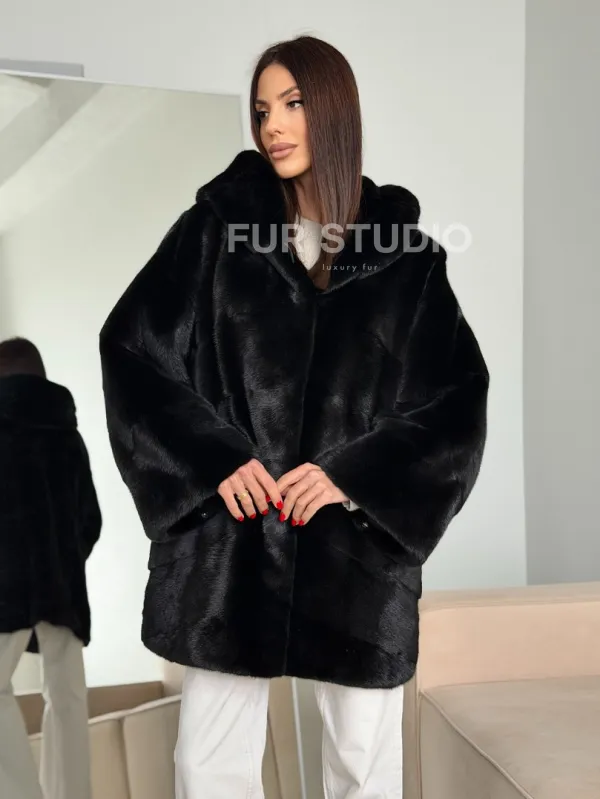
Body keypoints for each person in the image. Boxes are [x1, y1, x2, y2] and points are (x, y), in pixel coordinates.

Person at [99, 34, 489, 799]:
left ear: (333, 109)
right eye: (261, 110)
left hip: (355, 557)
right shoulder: (215, 230)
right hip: (232, 552)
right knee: (209, 766)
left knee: (361, 767)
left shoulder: (407, 260)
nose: (272, 124)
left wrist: (353, 478)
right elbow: (132, 348)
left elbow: (455, 402)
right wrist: (212, 457)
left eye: (292, 103)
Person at [0, 337, 101, 799]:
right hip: (64, 592)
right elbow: (90, 521)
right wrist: (62, 565)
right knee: (67, 698)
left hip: (6, 589)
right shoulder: (68, 436)